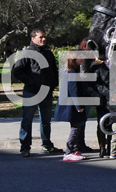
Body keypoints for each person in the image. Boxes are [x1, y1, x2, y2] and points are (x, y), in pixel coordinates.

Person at [11, 29, 62, 157]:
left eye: (45, 37)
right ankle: (25, 148)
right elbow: (17, 71)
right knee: (27, 120)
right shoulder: (27, 53)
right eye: (41, 37)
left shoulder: (48, 53)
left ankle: (47, 145)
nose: (44, 39)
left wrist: (53, 84)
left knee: (45, 121)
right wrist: (31, 82)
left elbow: (54, 71)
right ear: (33, 39)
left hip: (46, 92)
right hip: (31, 92)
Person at [56, 52, 89, 161]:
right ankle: (69, 151)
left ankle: (74, 149)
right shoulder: (72, 72)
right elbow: (73, 89)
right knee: (76, 127)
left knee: (76, 126)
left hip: (70, 103)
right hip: (72, 104)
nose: (82, 59)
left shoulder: (67, 70)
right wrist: (78, 105)